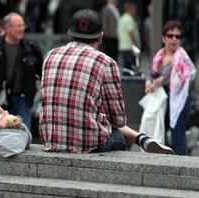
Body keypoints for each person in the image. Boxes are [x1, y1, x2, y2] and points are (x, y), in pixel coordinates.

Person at [40, 8, 174, 155]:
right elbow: (117, 119)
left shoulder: (50, 55)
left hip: (50, 140)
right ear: (100, 36)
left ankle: (142, 138)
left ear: (69, 34)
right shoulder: (105, 62)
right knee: (119, 137)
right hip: (86, 144)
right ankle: (141, 139)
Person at [0, 12, 43, 131]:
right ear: (7, 28)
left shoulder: (32, 47)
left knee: (23, 130)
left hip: (24, 97)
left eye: (23, 25)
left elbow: (41, 72)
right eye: (18, 26)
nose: (22, 29)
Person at [144, 21, 196, 155]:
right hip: (164, 98)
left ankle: (182, 167)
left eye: (178, 36)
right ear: (163, 38)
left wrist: (159, 81)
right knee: (161, 130)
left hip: (180, 99)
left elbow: (187, 76)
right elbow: (152, 73)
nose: (174, 39)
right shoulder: (159, 55)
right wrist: (149, 82)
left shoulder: (182, 57)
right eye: (170, 35)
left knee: (178, 134)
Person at [118, 1, 141, 70]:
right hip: (130, 47)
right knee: (133, 68)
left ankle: (125, 81)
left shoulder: (122, 18)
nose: (136, 11)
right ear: (130, 9)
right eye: (135, 9)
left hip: (123, 46)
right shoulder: (129, 19)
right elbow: (131, 33)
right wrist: (136, 44)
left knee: (125, 68)